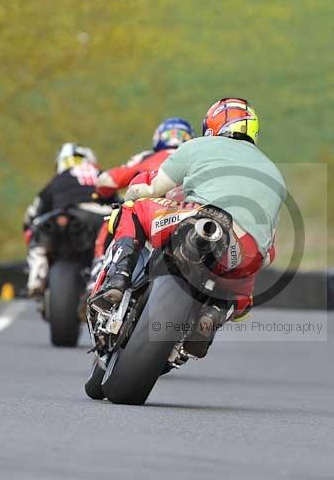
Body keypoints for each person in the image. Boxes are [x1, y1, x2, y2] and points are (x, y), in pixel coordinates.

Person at [95, 98, 285, 342]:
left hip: (196, 221)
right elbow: (269, 252)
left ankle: (118, 276)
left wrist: (133, 193)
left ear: (213, 125)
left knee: (134, 209)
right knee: (241, 294)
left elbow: (153, 188)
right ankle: (214, 313)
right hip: (244, 252)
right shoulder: (274, 173)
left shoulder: (199, 146)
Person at [91, 118, 193, 258]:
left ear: (158, 138)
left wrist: (102, 194)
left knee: (114, 219)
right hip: (191, 218)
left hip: (150, 220)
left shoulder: (146, 157)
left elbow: (108, 181)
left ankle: (103, 265)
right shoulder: (196, 156)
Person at [22, 142, 109, 296]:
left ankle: (37, 274)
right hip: (99, 216)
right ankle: (104, 278)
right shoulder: (100, 174)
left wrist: (30, 230)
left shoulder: (58, 179)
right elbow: (118, 201)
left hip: (64, 214)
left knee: (39, 230)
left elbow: (34, 211)